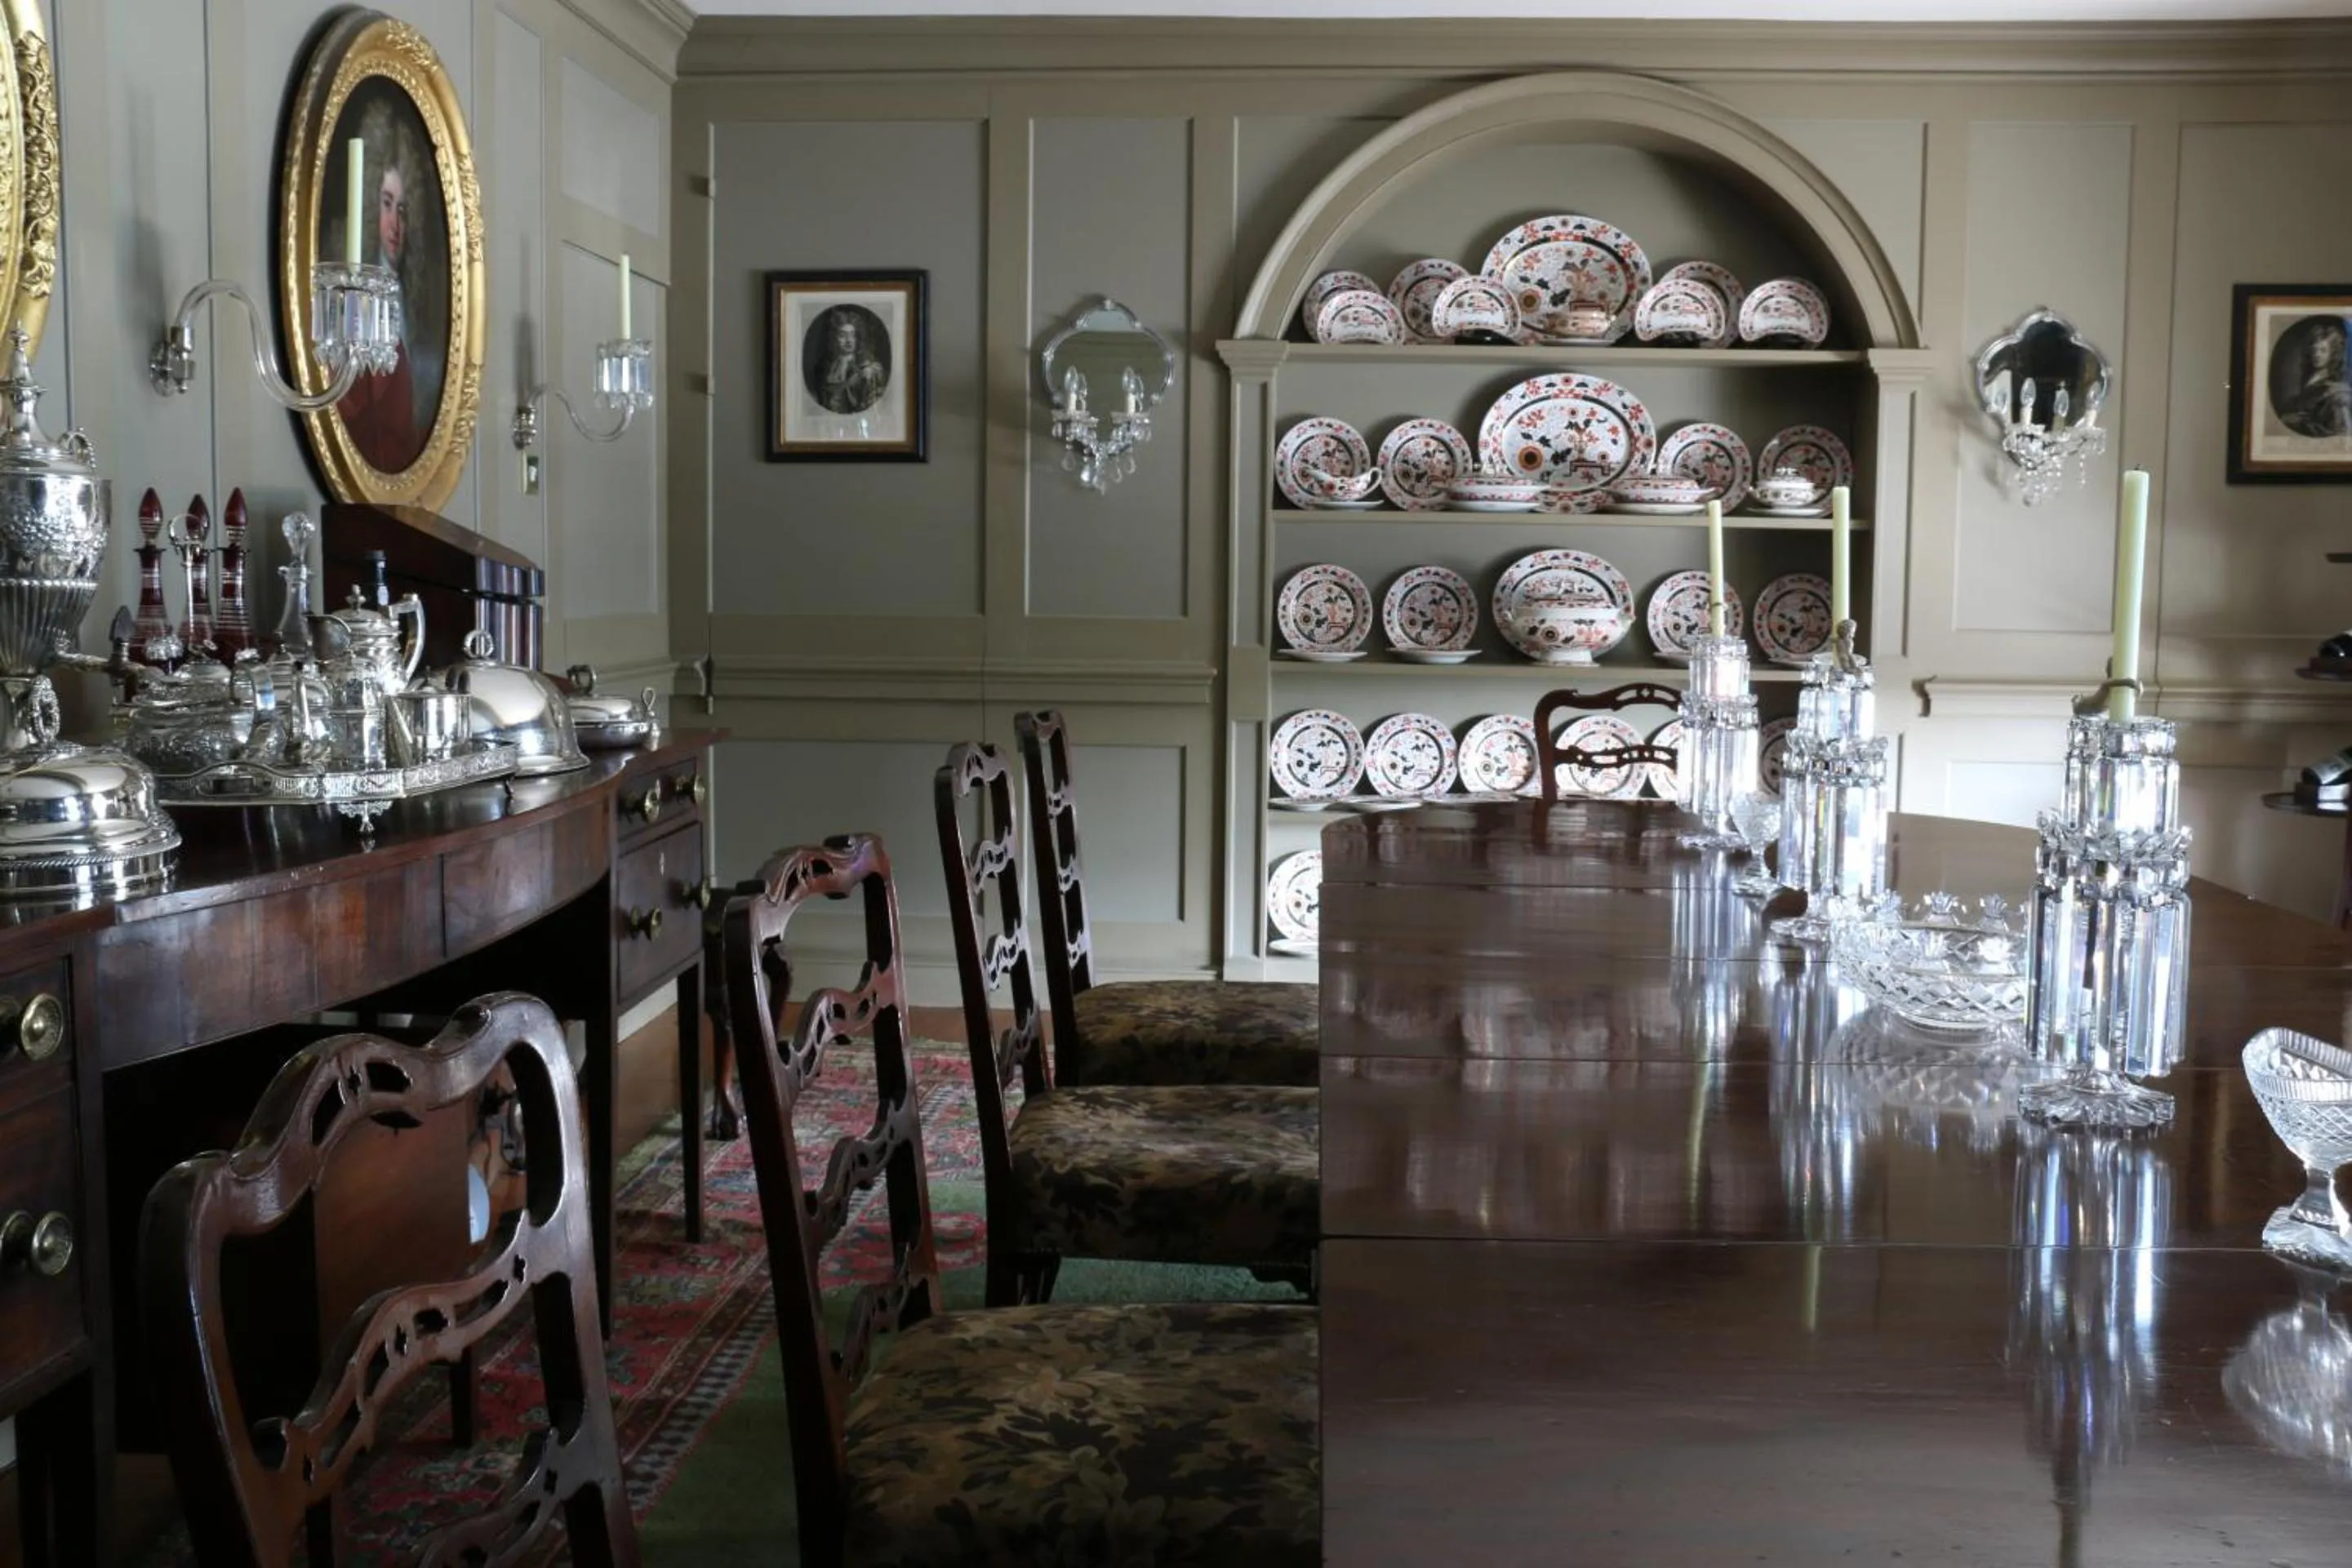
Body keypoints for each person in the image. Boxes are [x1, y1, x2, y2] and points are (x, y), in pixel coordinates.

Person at [336, 144, 421, 472]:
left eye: (403, 209)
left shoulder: (413, 294)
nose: (395, 223)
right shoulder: (350, 296)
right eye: (387, 204)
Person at [2274, 313, 2352, 442]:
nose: (2317, 355)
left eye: (2323, 350)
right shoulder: (2311, 378)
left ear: (2333, 353)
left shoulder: (2338, 391)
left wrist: (2296, 423)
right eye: (2314, 350)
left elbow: (2337, 433)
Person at [811, 308, 888, 415]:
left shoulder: (868, 369)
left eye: (852, 335)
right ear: (834, 338)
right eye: (842, 335)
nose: (848, 340)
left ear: (857, 338)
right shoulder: (826, 368)